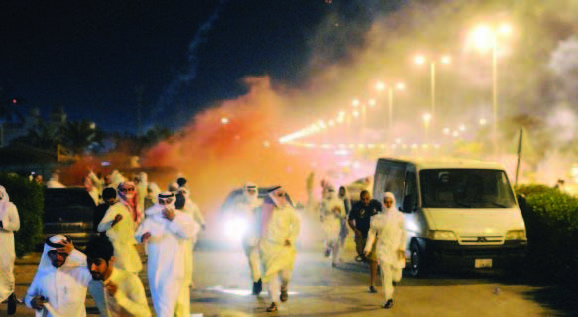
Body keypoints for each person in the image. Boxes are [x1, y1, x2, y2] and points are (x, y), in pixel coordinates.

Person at [136, 192, 195, 317]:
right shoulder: (151, 219)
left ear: (173, 201)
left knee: (168, 305)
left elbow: (188, 234)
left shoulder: (182, 218)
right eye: (162, 202)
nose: (165, 205)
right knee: (159, 303)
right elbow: (138, 235)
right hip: (155, 268)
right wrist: (143, 236)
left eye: (168, 202)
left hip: (173, 267)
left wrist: (173, 220)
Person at [258, 186, 301, 312]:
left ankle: (284, 287)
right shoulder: (265, 210)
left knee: (285, 276)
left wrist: (291, 239)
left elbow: (297, 225)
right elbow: (258, 225)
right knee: (270, 275)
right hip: (269, 248)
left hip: (285, 248)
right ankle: (274, 301)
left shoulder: (289, 211)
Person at [25, 235, 91, 316]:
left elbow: (93, 265)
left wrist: (73, 252)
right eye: (54, 253)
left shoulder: (80, 272)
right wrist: (32, 301)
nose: (58, 257)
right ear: (48, 253)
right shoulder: (43, 274)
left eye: (62, 254)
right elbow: (29, 297)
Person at [86, 236, 151, 317]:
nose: (92, 268)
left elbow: (146, 314)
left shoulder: (129, 280)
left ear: (111, 260)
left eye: (97, 263)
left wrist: (120, 297)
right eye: (89, 262)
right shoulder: (93, 285)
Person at [364, 192, 407, 309]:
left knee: (397, 275)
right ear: (383, 202)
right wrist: (367, 248)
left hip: (397, 249)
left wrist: (402, 248)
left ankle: (394, 281)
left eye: (390, 202)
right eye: (386, 202)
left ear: (393, 202)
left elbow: (404, 233)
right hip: (383, 249)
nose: (388, 204)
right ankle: (389, 298)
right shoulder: (377, 218)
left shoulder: (399, 216)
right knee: (386, 275)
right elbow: (371, 234)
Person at [97, 182, 143, 274]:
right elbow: (100, 228)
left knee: (128, 271)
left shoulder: (119, 209)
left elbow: (100, 228)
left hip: (123, 245)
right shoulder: (119, 208)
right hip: (122, 245)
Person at [348, 190, 382, 293]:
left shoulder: (375, 204)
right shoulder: (357, 206)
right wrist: (355, 230)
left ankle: (372, 284)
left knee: (373, 259)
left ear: (370, 197)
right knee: (362, 254)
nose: (365, 201)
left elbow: (384, 214)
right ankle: (368, 259)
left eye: (367, 199)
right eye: (363, 199)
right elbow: (349, 220)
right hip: (361, 234)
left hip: (372, 235)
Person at [232, 182, 263, 295]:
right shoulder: (239, 206)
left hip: (264, 237)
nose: (251, 193)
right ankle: (257, 282)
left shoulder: (262, 204)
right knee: (253, 262)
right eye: (248, 191)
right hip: (249, 237)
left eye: (253, 190)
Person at [0, 185, 20, 316]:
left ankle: (10, 295)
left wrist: (3, 225)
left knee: (5, 271)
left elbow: (16, 225)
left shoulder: (9, 207)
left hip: (5, 246)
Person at [319, 187, 346, 267]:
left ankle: (334, 261)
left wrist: (337, 212)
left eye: (332, 191)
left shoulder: (339, 201)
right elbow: (321, 213)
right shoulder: (324, 201)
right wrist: (323, 216)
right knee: (329, 240)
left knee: (336, 242)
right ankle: (327, 248)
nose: (330, 193)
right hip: (327, 223)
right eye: (329, 191)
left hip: (335, 223)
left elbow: (343, 214)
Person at [337, 186, 351, 253]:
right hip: (336, 220)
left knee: (343, 234)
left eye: (343, 191)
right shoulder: (336, 199)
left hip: (343, 219)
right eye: (341, 191)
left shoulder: (345, 200)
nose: (342, 192)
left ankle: (341, 248)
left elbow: (348, 210)